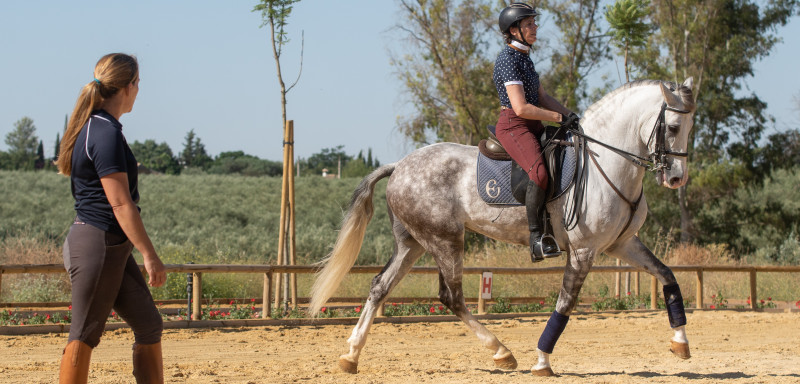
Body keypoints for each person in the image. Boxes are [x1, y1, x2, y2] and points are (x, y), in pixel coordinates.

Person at [55, 53, 166, 383]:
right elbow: (121, 205)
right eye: (138, 84)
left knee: (148, 323)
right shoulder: (104, 133)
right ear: (129, 87)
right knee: (85, 333)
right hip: (98, 245)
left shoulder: (100, 128)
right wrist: (149, 255)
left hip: (111, 247)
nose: (138, 91)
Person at [493, 3, 579, 262]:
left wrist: (571, 116)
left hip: (533, 124)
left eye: (534, 23)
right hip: (514, 125)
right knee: (540, 174)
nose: (535, 28)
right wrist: (556, 117)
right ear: (514, 29)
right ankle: (536, 239)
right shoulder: (507, 60)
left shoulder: (525, 58)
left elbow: (542, 96)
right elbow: (520, 108)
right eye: (529, 24)